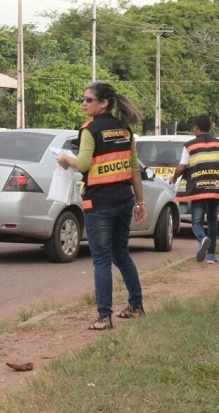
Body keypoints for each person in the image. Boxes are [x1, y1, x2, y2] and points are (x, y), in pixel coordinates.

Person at [57, 81, 146, 331]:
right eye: (83, 100)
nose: (84, 104)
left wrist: (65, 160)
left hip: (99, 204)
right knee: (122, 255)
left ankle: (104, 317)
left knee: (102, 261)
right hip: (124, 201)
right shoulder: (124, 130)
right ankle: (136, 306)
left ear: (103, 103)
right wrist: (141, 202)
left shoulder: (90, 129)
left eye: (88, 100)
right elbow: (134, 170)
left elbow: (84, 164)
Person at [169, 115, 219, 264]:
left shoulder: (189, 145)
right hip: (216, 187)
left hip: (198, 188)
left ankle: (203, 239)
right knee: (212, 220)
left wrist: (174, 177)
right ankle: (211, 255)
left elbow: (182, 167)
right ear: (209, 127)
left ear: (196, 128)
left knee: (197, 222)